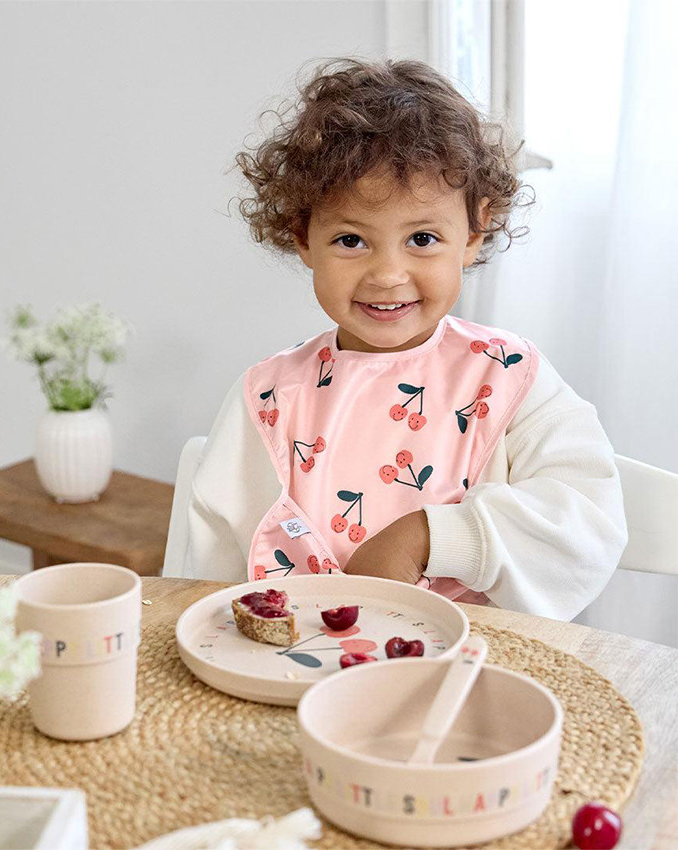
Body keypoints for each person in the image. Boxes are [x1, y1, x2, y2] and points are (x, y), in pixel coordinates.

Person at [183, 58, 626, 620]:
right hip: (298, 678)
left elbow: (588, 519)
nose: (388, 274)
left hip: (476, 668)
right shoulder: (268, 398)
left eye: (421, 237)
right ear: (302, 236)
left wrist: (429, 536)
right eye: (350, 240)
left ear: (473, 232)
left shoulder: (510, 376)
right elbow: (213, 585)